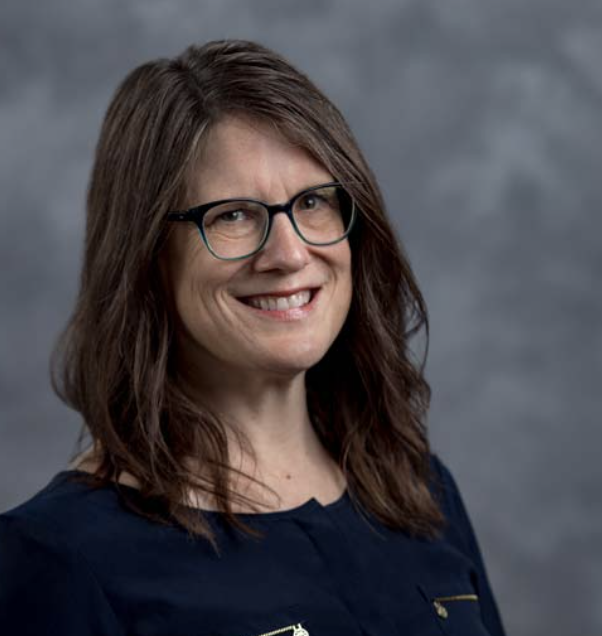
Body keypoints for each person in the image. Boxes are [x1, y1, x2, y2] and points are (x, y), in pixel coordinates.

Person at [0, 39, 507, 636]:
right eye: (233, 215)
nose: (290, 254)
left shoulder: (419, 492)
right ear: (147, 255)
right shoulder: (58, 557)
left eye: (314, 201)